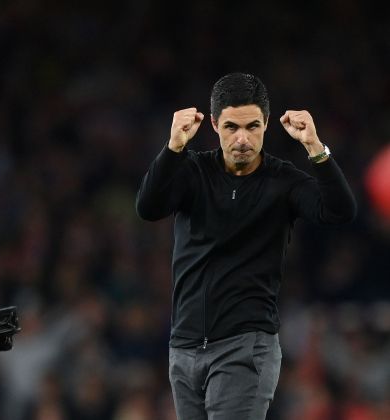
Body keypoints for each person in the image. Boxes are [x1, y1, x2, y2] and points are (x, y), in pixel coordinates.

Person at [135, 73, 356, 419]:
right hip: (184, 348)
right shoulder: (193, 172)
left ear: (267, 123)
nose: (242, 138)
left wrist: (315, 147)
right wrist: (174, 148)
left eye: (253, 126)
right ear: (213, 124)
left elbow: (341, 211)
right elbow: (148, 208)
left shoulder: (283, 181)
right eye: (231, 127)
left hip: (244, 348)